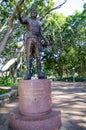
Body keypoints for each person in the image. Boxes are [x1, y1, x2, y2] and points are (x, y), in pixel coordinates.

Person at [17, 8, 52, 80]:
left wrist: (47, 42)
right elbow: (21, 21)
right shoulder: (27, 20)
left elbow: (41, 33)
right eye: (33, 12)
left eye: (35, 12)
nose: (34, 13)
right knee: (28, 55)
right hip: (29, 39)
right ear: (31, 13)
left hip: (37, 40)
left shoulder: (39, 23)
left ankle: (39, 72)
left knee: (38, 56)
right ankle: (28, 73)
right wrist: (19, 14)